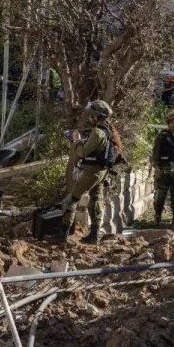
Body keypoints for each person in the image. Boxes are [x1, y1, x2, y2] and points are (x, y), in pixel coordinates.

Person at [64, 100, 121, 243]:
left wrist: (76, 141)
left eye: (92, 114)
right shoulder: (107, 131)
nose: (90, 117)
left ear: (96, 116)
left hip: (92, 171)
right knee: (95, 200)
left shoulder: (97, 132)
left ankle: (62, 234)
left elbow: (83, 152)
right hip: (102, 172)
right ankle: (94, 235)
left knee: (72, 200)